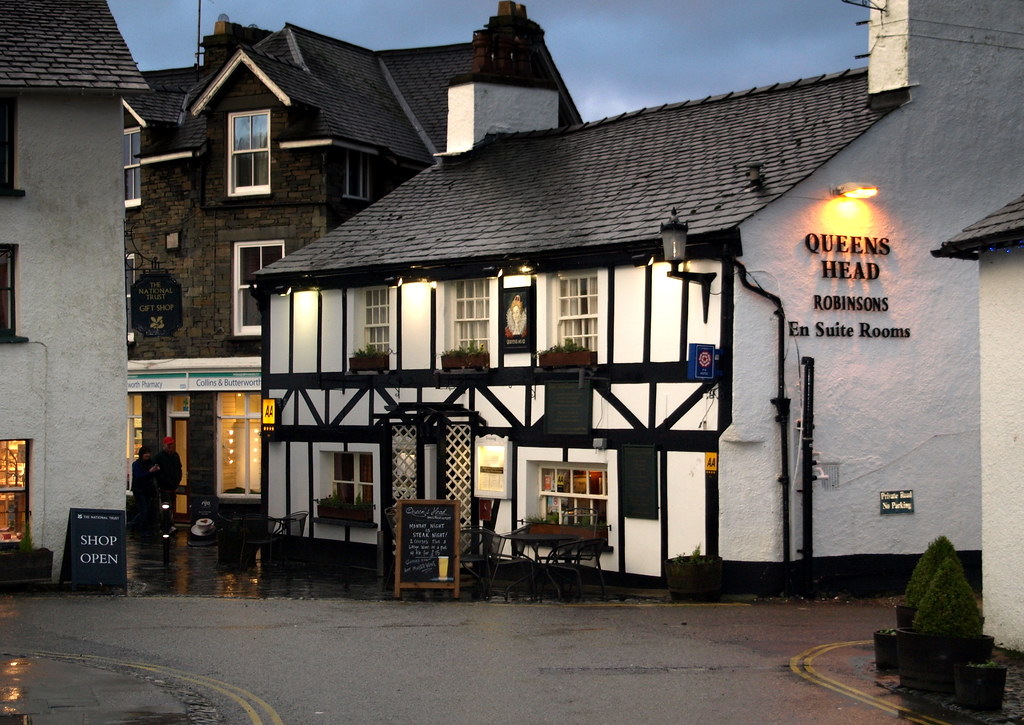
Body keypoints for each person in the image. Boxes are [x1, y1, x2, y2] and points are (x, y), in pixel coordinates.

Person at [128, 445, 160, 540]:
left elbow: (152, 476)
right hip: (139, 490)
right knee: (144, 510)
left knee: (145, 510)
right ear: (142, 455)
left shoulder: (150, 463)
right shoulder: (136, 464)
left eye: (148, 456)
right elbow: (139, 476)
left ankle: (132, 524)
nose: (147, 458)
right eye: (145, 456)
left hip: (147, 490)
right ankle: (143, 530)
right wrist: (150, 472)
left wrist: (155, 471)